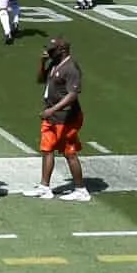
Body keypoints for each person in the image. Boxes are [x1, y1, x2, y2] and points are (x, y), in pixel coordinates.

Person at [28, 35, 90, 200]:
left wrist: (53, 109)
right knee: (46, 150)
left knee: (69, 152)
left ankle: (80, 190)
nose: (49, 53)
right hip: (52, 115)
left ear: (62, 50)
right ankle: (44, 186)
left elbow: (72, 95)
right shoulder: (55, 64)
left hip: (66, 117)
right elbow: (40, 80)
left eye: (52, 50)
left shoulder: (71, 68)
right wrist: (42, 63)